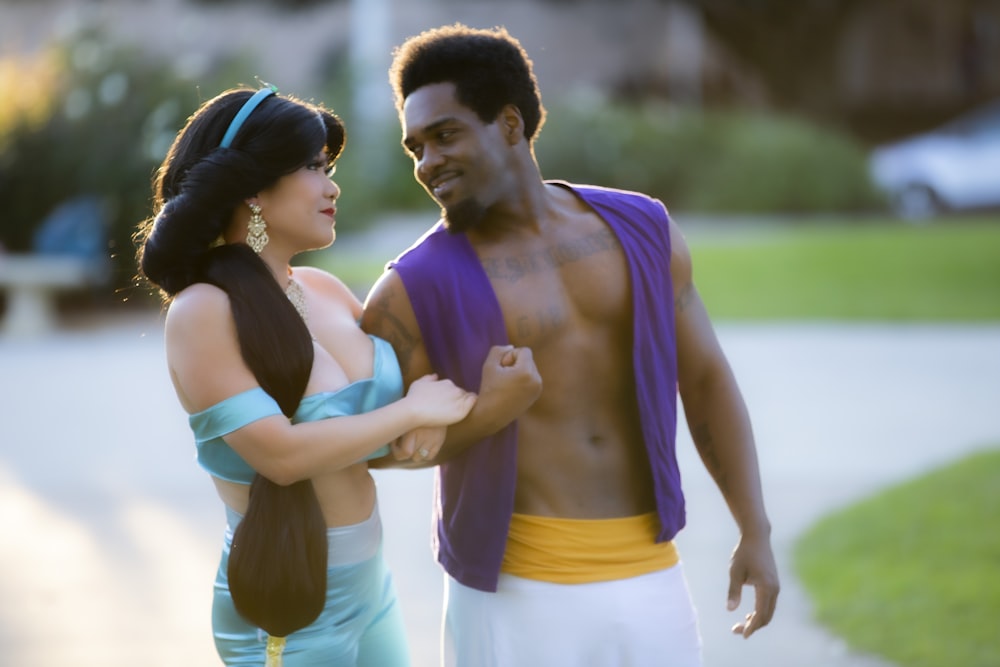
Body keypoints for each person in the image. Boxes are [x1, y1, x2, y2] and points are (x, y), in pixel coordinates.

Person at [360, 24, 779, 666]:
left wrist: (754, 527)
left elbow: (705, 380)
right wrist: (488, 415)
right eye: (415, 147)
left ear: (508, 123)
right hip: (513, 592)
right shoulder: (411, 288)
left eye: (444, 136)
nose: (426, 164)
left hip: (651, 574)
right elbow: (370, 447)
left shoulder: (643, 228)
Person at [135, 85, 476, 666]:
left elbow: (366, 438)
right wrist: (413, 412)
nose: (333, 185)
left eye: (330, 166)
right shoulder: (204, 310)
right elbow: (283, 456)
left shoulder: (324, 291)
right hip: (287, 608)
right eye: (315, 167)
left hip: (370, 589)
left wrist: (418, 431)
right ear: (253, 190)